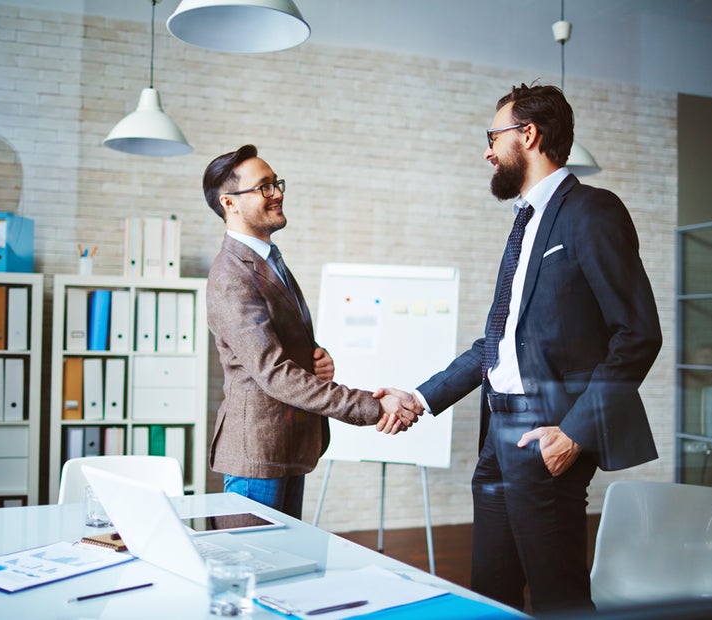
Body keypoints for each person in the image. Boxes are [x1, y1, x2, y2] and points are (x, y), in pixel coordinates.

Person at [378, 83, 662, 612]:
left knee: (559, 599)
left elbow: (639, 333)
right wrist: (420, 397)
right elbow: (499, 343)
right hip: (497, 434)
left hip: (547, 432)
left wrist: (576, 433)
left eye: (494, 136)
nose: (488, 150)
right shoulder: (524, 222)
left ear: (528, 135)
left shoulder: (592, 212)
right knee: (490, 592)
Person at [202, 144, 422, 520]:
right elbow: (272, 372)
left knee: (284, 571)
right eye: (264, 187)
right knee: (252, 572)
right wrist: (372, 406)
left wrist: (314, 355)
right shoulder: (230, 276)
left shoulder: (268, 259)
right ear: (230, 203)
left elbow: (277, 341)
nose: (278, 194)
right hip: (256, 456)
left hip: (285, 447)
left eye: (277, 184)